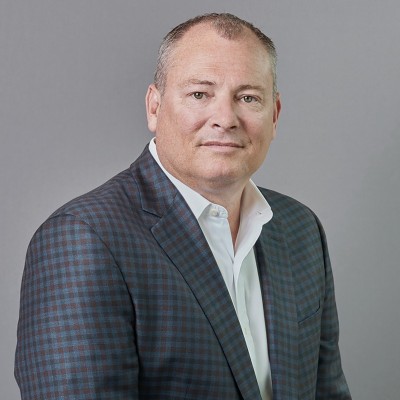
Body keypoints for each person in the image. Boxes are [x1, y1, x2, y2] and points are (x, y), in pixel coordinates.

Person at [15, 13, 351, 400]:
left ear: (274, 116)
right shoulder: (83, 239)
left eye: (248, 98)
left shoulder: (300, 228)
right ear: (154, 107)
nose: (225, 119)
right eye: (199, 95)